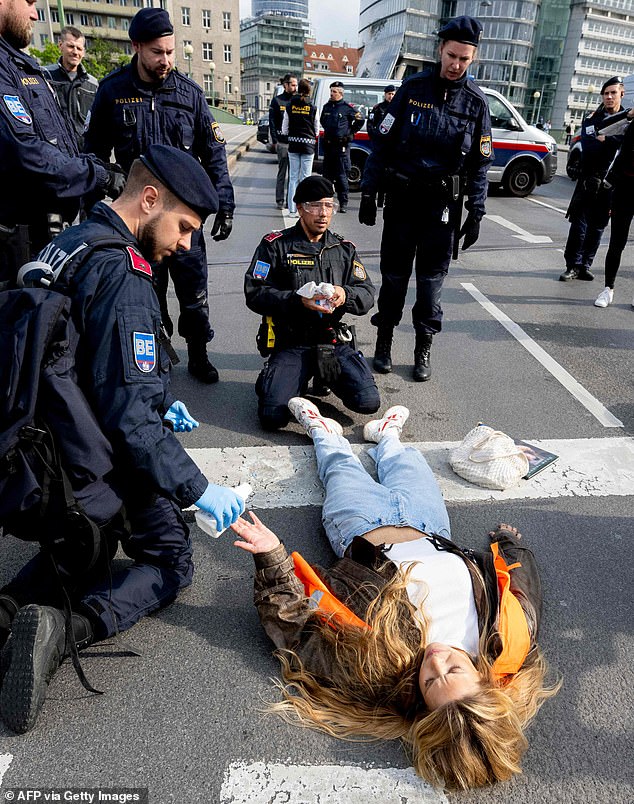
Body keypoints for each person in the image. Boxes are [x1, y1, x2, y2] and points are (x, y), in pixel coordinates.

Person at [0, 145, 244, 734]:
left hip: (35, 446)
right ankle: (65, 633)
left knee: (83, 547)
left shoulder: (70, 242)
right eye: (184, 227)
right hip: (88, 457)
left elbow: (79, 354)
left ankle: (6, 611)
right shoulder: (127, 274)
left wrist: (161, 397)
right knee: (170, 556)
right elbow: (129, 422)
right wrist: (198, 488)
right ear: (150, 199)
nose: (186, 243)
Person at [230, 398, 560, 791]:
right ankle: (386, 437)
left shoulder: (380, 668)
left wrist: (271, 558)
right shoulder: (505, 643)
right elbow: (524, 594)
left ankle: (323, 431)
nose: (436, 663)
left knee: (340, 466)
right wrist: (510, 546)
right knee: (408, 464)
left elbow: (295, 632)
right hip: (430, 525)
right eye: (454, 671)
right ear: (485, 678)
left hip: (361, 525)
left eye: (431, 683)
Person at [83, 7, 235, 384]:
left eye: (170, 52)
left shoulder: (189, 94)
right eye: (157, 52)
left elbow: (214, 152)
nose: (165, 60)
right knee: (142, 294)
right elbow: (93, 152)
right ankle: (150, 360)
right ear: (136, 47)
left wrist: (224, 204)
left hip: (181, 220)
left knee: (194, 293)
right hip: (137, 220)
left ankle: (198, 353)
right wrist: (92, 201)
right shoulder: (112, 91)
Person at [359, 16, 492, 382]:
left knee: (431, 284)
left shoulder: (476, 104)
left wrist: (477, 211)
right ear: (440, 49)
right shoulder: (412, 88)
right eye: (451, 55)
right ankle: (383, 342)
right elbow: (381, 144)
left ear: (473, 59)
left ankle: (423, 348)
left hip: (441, 209)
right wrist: (369, 192)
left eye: (464, 59)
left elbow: (480, 165)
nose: (456, 65)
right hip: (402, 202)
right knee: (394, 279)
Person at [0, 0, 124, 285]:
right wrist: (99, 176)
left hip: (44, 235)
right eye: (29, 2)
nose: (34, 13)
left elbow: (60, 144)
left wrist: (98, 165)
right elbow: (26, 150)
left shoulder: (20, 65)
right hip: (13, 249)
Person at [244, 175, 380, 431]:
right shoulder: (275, 246)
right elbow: (254, 292)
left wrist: (344, 294)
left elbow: (367, 294)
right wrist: (297, 301)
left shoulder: (343, 249)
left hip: (331, 341)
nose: (323, 213)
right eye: (315, 205)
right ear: (299, 208)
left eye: (329, 205)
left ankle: (322, 374)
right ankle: (273, 378)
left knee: (368, 402)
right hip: (291, 342)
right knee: (272, 415)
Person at [559, 77, 625, 284]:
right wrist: (614, 141)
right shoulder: (592, 119)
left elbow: (624, 148)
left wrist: (609, 139)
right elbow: (590, 148)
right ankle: (572, 265)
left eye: (613, 93)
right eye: (606, 93)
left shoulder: (628, 120)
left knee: (598, 227)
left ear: (621, 94)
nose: (609, 97)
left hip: (611, 183)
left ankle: (585, 265)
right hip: (589, 180)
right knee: (579, 226)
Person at [591, 103, 634, 308]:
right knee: (617, 241)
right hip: (625, 187)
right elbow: (601, 128)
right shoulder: (630, 121)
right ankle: (608, 289)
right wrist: (628, 114)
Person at [44, 26, 98, 148]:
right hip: (55, 151)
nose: (75, 52)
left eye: (79, 48)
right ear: (60, 46)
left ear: (83, 52)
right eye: (70, 46)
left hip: (84, 153)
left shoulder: (93, 84)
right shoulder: (44, 77)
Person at [320, 80, 364, 213]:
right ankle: (326, 200)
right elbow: (323, 120)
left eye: (334, 91)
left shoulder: (347, 108)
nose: (332, 94)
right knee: (327, 175)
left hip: (341, 147)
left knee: (341, 176)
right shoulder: (327, 107)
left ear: (340, 93)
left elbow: (360, 120)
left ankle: (343, 202)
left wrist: (350, 133)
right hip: (329, 146)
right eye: (331, 91)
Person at [282, 78, 318, 216]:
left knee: (293, 178)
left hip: (294, 145)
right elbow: (316, 129)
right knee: (306, 177)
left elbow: (284, 129)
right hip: (308, 145)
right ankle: (304, 209)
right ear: (309, 91)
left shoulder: (290, 105)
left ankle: (292, 209)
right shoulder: (313, 107)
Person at [269, 73, 298, 210]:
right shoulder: (277, 101)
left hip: (295, 143)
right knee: (282, 172)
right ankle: (279, 200)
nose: (295, 87)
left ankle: (290, 201)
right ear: (285, 85)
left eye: (296, 84)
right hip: (282, 142)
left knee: (293, 175)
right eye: (292, 84)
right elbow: (272, 122)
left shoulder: (298, 101)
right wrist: (275, 140)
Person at [366, 85, 396, 209]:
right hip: (379, 147)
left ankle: (386, 199)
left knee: (390, 175)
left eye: (393, 94)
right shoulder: (378, 108)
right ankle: (376, 198)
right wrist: (376, 139)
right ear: (385, 94)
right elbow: (370, 125)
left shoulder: (398, 108)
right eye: (389, 94)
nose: (391, 96)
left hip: (392, 148)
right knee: (376, 172)